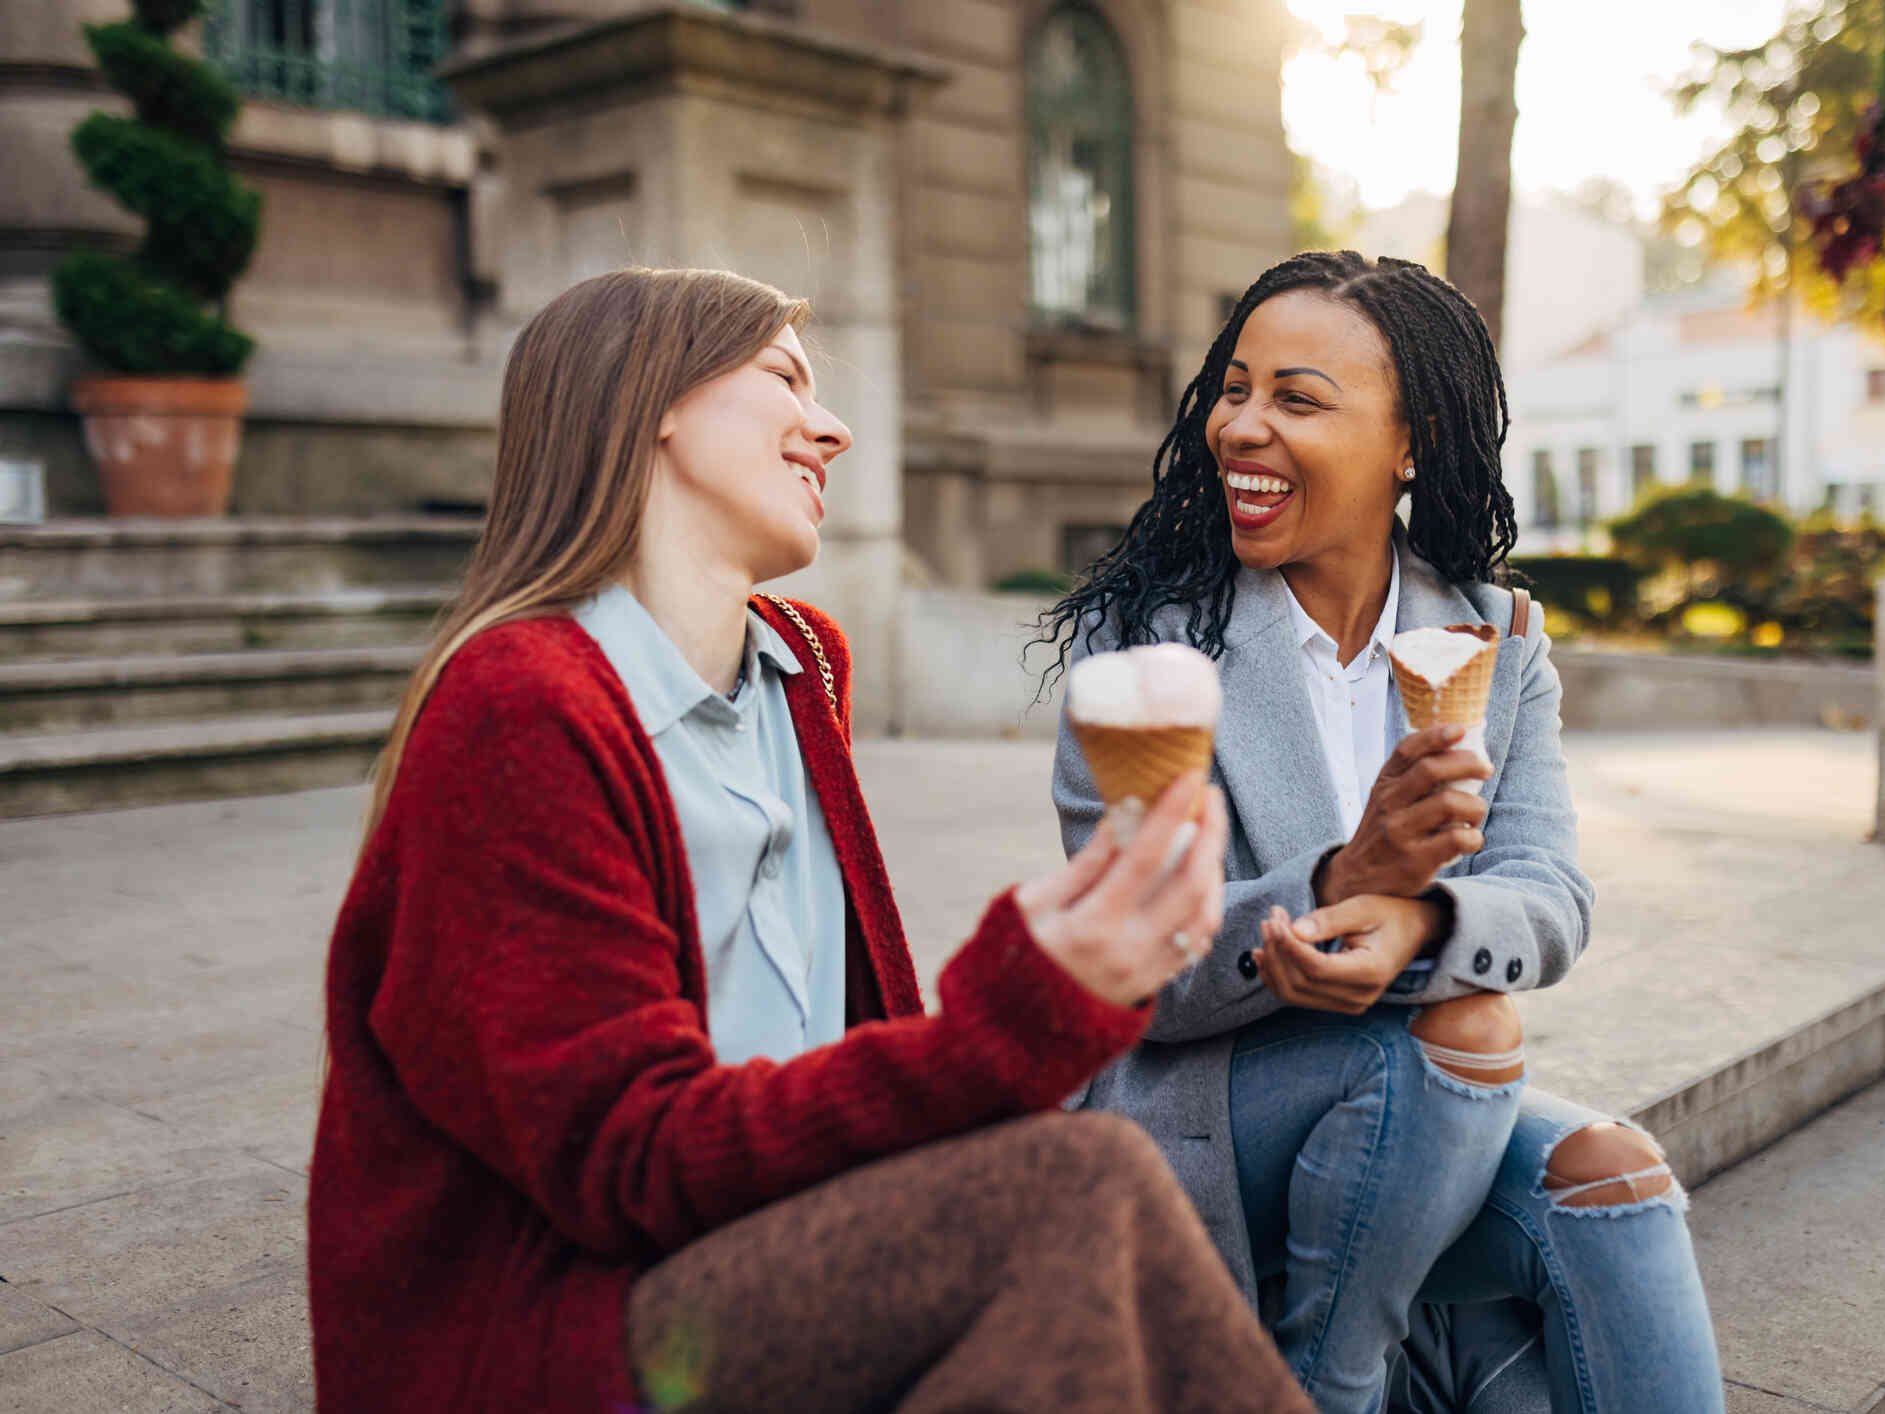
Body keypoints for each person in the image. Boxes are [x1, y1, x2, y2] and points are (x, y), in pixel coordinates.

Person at [307, 267, 1317, 1414]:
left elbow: (830, 1054)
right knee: (1065, 1186)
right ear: (653, 404)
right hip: (564, 1327)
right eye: (785, 376)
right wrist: (1018, 1007)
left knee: (1100, 1178)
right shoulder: (518, 707)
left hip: (763, 1243)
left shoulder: (801, 666)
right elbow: (628, 1160)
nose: (830, 427)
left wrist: (1085, 979)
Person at [1044, 250, 1724, 1414]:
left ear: (1409, 445)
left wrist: (1420, 912)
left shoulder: (1493, 635)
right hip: (1200, 1120)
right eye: (1235, 388)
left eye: (1297, 400)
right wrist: (1333, 882)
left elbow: (1549, 895)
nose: (1241, 428)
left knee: (1615, 1180)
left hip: (1427, 1116)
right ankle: (1332, 1384)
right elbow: (1144, 978)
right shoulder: (1144, 650)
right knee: (1462, 1026)